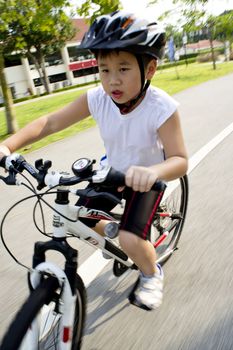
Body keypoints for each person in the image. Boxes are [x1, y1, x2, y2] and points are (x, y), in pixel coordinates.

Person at [0, 11, 188, 310]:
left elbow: (179, 159)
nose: (112, 80)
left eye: (123, 68)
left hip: (147, 178)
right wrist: (7, 146)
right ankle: (115, 233)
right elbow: (49, 123)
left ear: (149, 68)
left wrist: (151, 172)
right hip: (111, 173)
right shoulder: (97, 99)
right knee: (79, 215)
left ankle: (151, 273)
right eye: (104, 70)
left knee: (130, 239)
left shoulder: (161, 106)